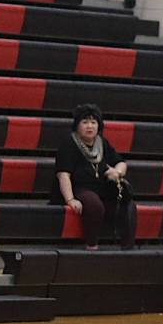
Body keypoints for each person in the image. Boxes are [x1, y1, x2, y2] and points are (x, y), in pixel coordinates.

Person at [51, 103, 135, 250]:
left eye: (93, 122)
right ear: (77, 125)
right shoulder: (69, 144)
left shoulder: (102, 142)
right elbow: (63, 175)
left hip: (101, 187)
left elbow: (121, 163)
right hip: (79, 188)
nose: (89, 126)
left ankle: (127, 247)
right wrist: (70, 199)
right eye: (85, 122)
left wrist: (117, 172)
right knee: (94, 204)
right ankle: (92, 245)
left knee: (128, 204)